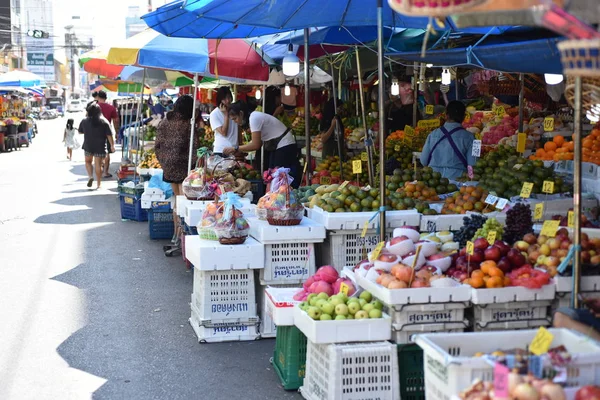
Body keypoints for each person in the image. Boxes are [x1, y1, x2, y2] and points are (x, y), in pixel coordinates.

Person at [223, 100, 300, 188]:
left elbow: (256, 144)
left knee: (279, 177)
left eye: (235, 118)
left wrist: (236, 148)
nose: (235, 122)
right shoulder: (253, 118)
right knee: (273, 175)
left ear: (241, 113)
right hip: (278, 145)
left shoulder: (254, 117)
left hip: (285, 145)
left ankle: (283, 198)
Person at [155, 95, 198, 242]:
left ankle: (176, 234)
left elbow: (157, 146)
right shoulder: (188, 124)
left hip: (168, 166)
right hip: (184, 167)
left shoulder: (164, 122)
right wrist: (194, 167)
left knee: (177, 200)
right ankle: (182, 236)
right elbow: (195, 148)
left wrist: (164, 162)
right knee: (183, 202)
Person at [420, 101, 476, 180]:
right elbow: (473, 164)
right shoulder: (470, 137)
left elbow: (423, 161)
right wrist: (470, 179)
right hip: (457, 180)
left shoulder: (432, 134)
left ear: (446, 115)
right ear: (463, 117)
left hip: (433, 180)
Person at [79, 103, 115, 189]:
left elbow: (80, 132)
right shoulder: (104, 121)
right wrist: (112, 145)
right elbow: (109, 135)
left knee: (88, 162)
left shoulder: (84, 121)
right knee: (98, 164)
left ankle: (91, 176)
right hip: (100, 146)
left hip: (88, 145)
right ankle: (98, 184)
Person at [96, 90, 120, 178]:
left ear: (98, 97)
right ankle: (106, 172)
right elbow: (115, 121)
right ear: (106, 98)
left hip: (95, 133)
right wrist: (117, 132)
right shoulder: (111, 108)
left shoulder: (93, 107)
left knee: (97, 152)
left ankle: (99, 169)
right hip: (107, 132)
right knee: (107, 153)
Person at [209, 87, 239, 157]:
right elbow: (224, 133)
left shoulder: (234, 111)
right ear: (220, 100)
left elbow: (238, 129)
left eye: (229, 97)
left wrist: (239, 147)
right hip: (221, 150)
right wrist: (226, 115)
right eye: (224, 99)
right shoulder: (214, 114)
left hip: (234, 149)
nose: (228, 100)